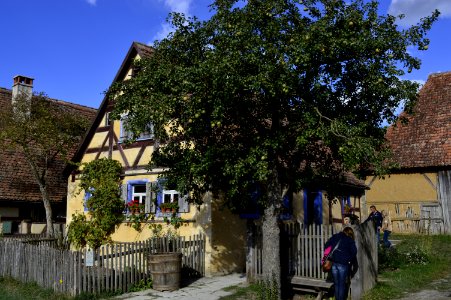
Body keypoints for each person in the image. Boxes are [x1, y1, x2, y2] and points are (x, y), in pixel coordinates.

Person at [324, 227, 358, 300]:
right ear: (350, 233)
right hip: (343, 264)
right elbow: (354, 252)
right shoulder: (349, 240)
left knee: (336, 284)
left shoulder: (335, 237)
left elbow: (326, 246)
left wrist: (330, 255)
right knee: (342, 285)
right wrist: (348, 259)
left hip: (334, 263)